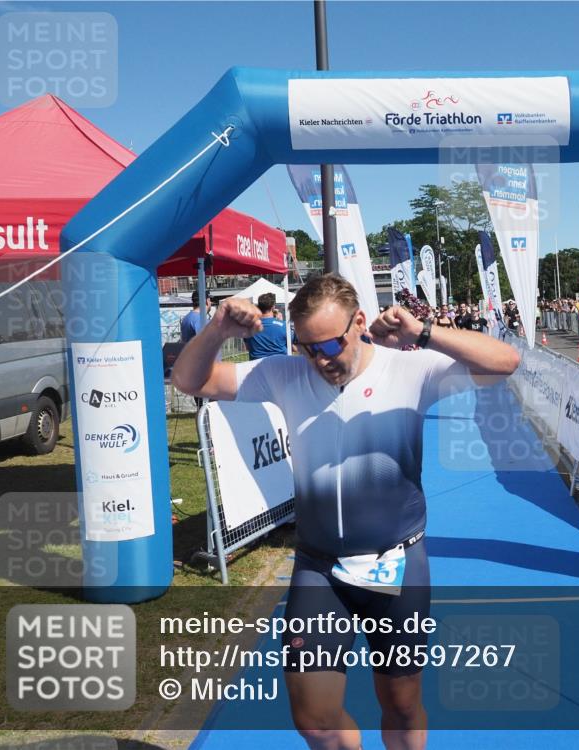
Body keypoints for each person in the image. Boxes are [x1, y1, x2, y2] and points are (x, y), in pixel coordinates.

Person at [171, 274, 520, 750]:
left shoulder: (409, 370)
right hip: (320, 569)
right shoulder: (285, 374)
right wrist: (216, 329)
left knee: (399, 703)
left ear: (359, 322)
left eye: (331, 344)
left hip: (396, 567)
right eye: (308, 347)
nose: (321, 360)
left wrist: (423, 332)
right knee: (314, 719)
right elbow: (191, 380)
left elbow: (507, 362)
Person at [244, 292, 288, 359]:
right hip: (279, 365)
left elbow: (247, 347)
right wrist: (280, 322)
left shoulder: (249, 326)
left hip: (257, 366)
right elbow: (293, 347)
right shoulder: (283, 325)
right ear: (273, 307)